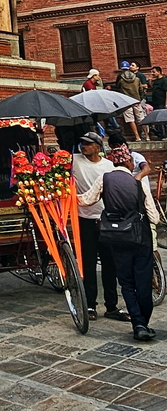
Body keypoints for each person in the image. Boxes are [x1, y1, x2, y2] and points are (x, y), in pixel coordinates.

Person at [78, 142, 160, 342]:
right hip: (140, 238)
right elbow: (154, 216)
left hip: (116, 238)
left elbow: (86, 200)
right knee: (142, 282)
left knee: (126, 282)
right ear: (130, 161)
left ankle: (138, 323)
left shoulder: (104, 179)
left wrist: (67, 193)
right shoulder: (138, 181)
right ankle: (143, 323)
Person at [72, 133, 129, 322]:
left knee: (109, 263)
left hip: (105, 218)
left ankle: (111, 306)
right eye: (82, 143)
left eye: (88, 144)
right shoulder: (74, 161)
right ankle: (90, 304)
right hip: (84, 219)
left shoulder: (108, 166)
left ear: (98, 147)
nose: (84, 147)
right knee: (88, 263)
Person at [114, 61, 147, 142]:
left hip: (126, 102)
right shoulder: (137, 78)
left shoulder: (120, 79)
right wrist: (140, 98)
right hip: (136, 100)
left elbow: (118, 89)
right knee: (141, 118)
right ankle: (147, 136)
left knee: (130, 119)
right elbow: (141, 90)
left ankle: (137, 137)